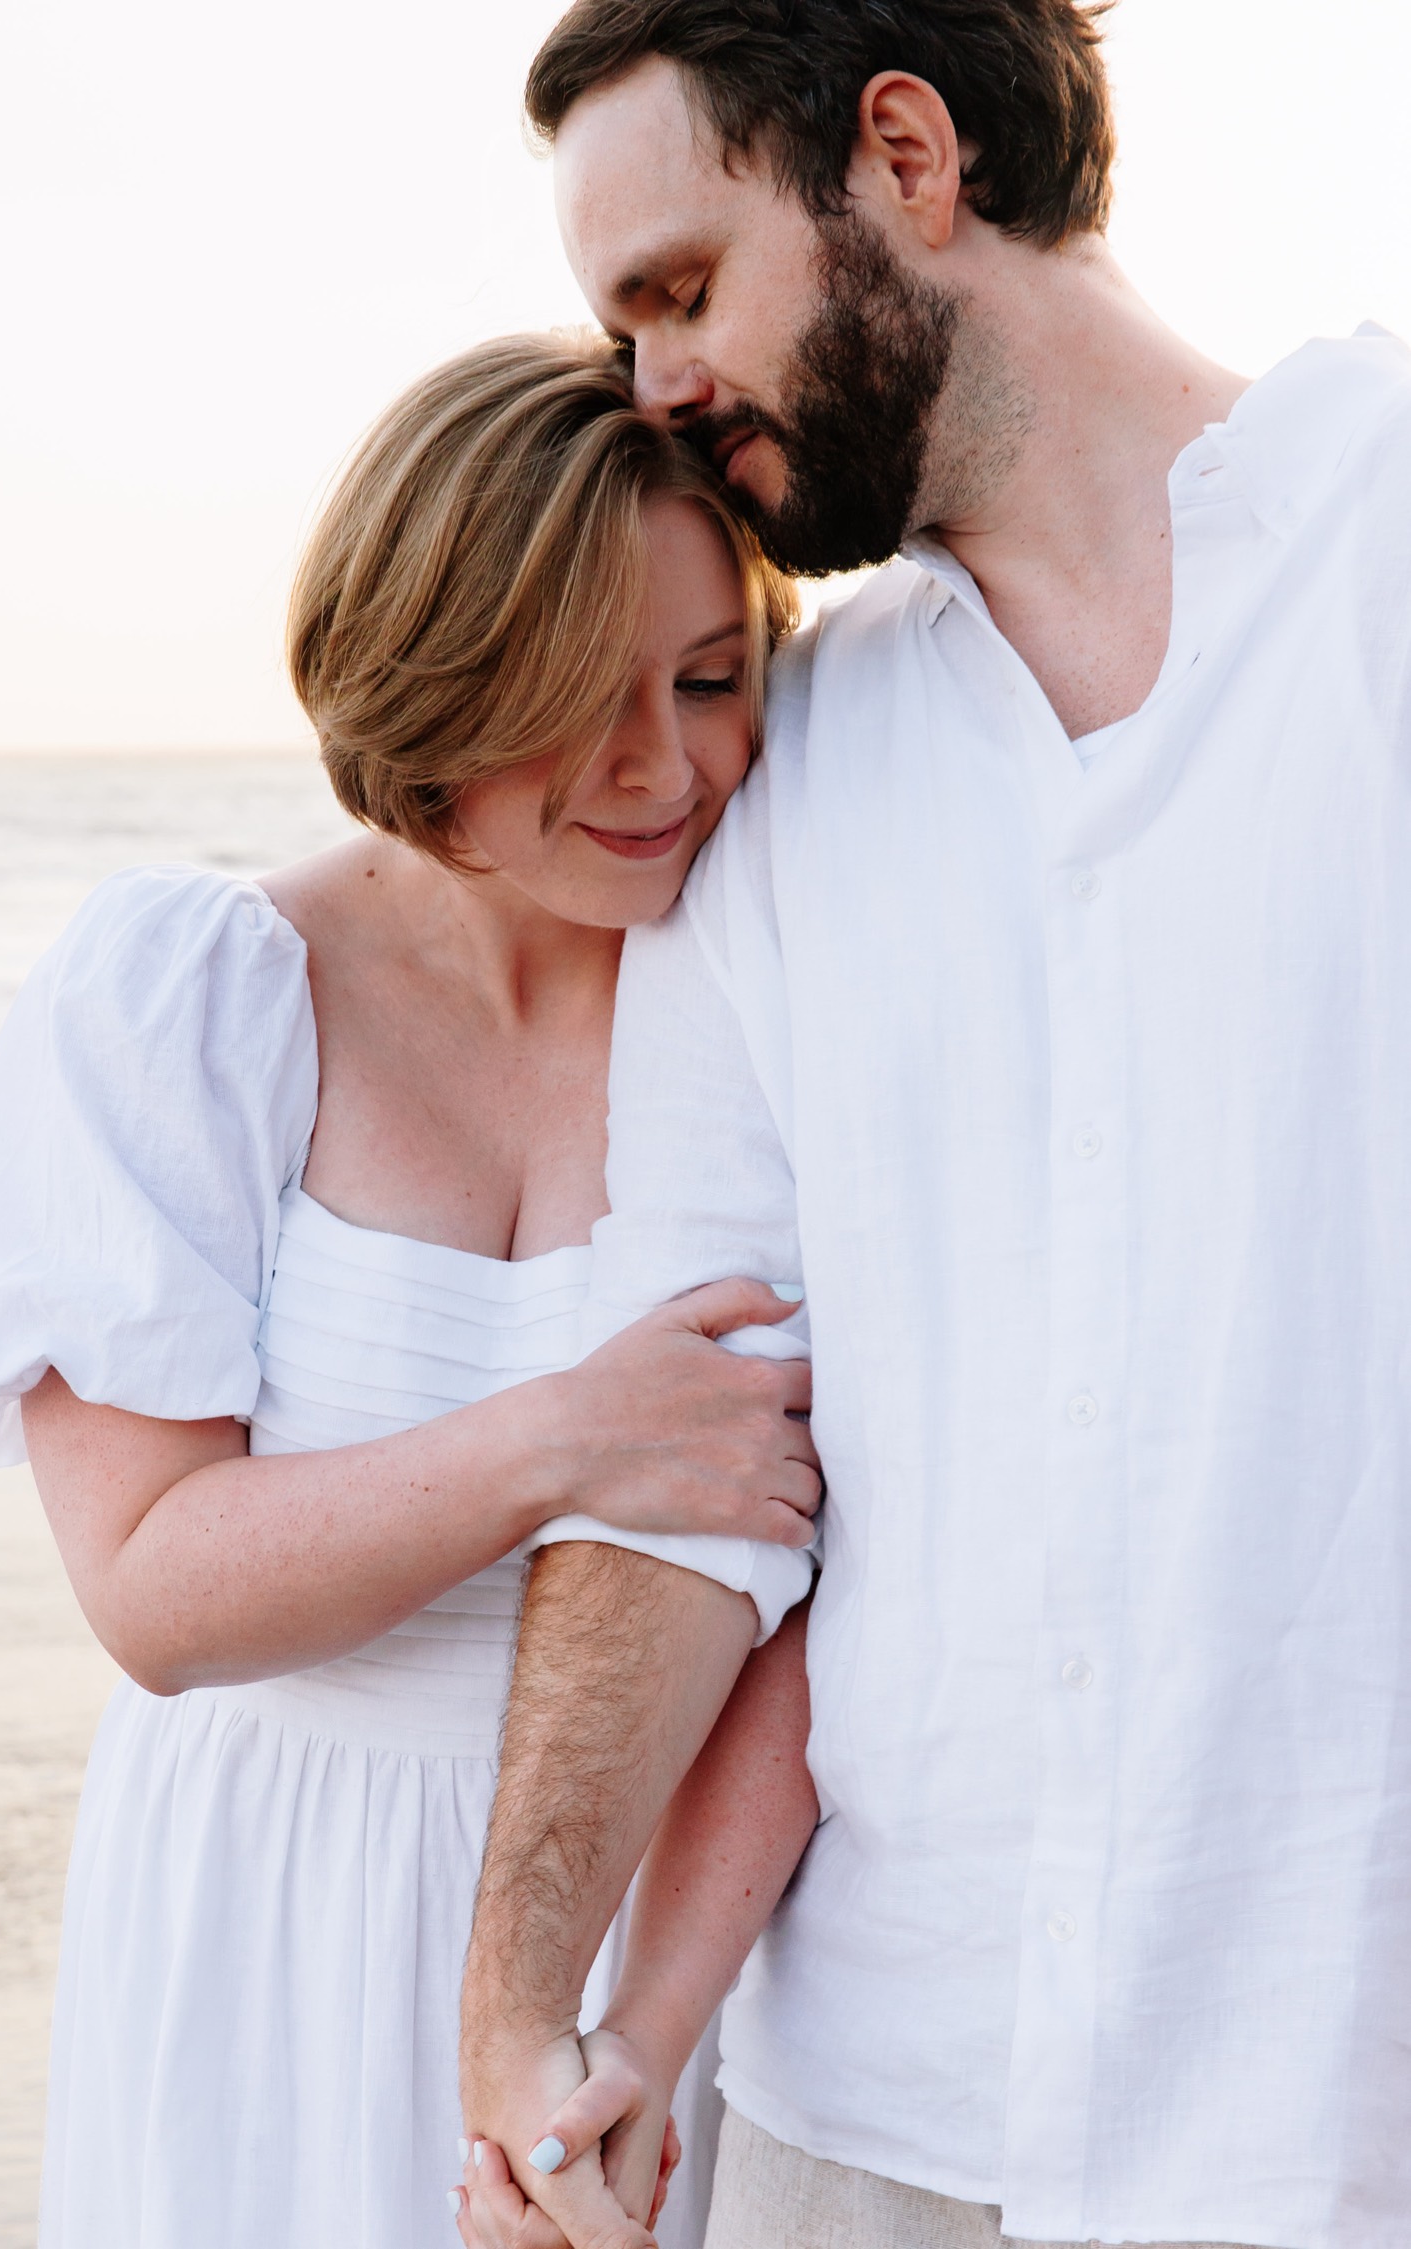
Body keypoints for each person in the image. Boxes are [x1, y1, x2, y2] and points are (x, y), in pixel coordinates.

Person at [456, 5, 1411, 2248]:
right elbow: (695, 1479)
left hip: (1348, 2098)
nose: (654, 389)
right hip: (877, 2124)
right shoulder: (786, 773)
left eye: (680, 291)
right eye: (619, 329)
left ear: (904, 153)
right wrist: (536, 2008)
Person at [0, 332, 820, 2249]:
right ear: (435, 678)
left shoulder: (767, 1005)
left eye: (714, 680)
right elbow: (157, 1591)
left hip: (660, 1936)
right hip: (271, 1909)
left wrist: (633, 2018)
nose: (670, 766)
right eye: (585, 699)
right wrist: (568, 1437)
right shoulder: (198, 995)